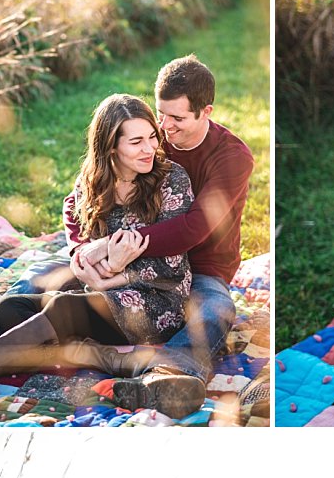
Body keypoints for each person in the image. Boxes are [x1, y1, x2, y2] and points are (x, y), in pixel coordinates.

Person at [0, 96, 192, 393]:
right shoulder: (91, 184)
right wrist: (100, 263)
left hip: (157, 302)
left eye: (152, 136)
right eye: (136, 141)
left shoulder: (171, 180)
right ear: (111, 146)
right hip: (100, 293)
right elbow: (83, 253)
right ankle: (96, 355)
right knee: (10, 308)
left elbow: (170, 264)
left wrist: (111, 268)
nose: (150, 147)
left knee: (63, 308)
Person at [75, 55, 254, 383]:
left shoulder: (231, 157)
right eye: (161, 113)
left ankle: (165, 376)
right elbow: (81, 195)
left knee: (215, 311)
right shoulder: (150, 140)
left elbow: (192, 229)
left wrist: (108, 245)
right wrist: (83, 252)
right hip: (135, 262)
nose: (164, 126)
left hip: (201, 268)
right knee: (40, 281)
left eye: (176, 117)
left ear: (206, 112)